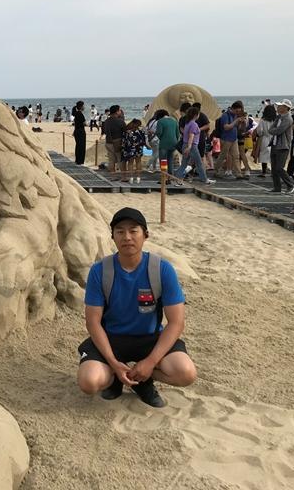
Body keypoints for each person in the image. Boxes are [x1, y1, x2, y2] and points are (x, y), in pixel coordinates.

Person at [77, 207, 196, 408]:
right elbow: (93, 322)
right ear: (113, 237)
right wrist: (113, 363)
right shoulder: (100, 270)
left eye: (133, 231)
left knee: (186, 373)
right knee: (89, 382)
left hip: (150, 338)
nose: (127, 237)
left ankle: (143, 380)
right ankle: (115, 377)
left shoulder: (161, 269)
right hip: (111, 339)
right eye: (120, 231)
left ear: (145, 235)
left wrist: (150, 363)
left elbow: (176, 322)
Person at [174, 106, 215, 185]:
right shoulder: (194, 124)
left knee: (184, 164)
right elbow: (191, 136)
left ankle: (177, 178)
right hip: (192, 146)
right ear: (196, 115)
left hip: (185, 144)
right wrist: (189, 146)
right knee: (199, 163)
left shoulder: (187, 123)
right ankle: (205, 179)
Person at [266, 100, 294, 194]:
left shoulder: (288, 119)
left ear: (286, 108)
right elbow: (271, 129)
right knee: (274, 168)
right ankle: (277, 187)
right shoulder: (279, 117)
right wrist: (273, 130)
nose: (278, 108)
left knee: (279, 167)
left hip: (283, 146)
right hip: (275, 144)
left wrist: (273, 130)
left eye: (280, 106)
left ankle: (290, 184)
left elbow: (278, 131)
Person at [215, 102, 244, 179]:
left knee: (236, 156)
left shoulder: (235, 115)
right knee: (223, 156)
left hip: (234, 139)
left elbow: (237, 127)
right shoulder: (225, 115)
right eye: (237, 111)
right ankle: (216, 171)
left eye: (239, 111)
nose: (237, 113)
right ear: (233, 108)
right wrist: (236, 121)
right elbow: (226, 127)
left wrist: (240, 123)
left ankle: (238, 174)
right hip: (226, 139)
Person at [101, 105, 125, 179]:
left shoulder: (106, 121)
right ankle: (123, 177)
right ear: (116, 112)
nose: (120, 111)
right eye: (119, 110)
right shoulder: (120, 121)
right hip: (117, 142)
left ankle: (113, 176)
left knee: (111, 160)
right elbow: (125, 130)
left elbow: (105, 131)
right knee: (120, 159)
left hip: (108, 142)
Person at [252, 104, 276, 177]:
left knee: (264, 155)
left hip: (265, 138)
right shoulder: (275, 120)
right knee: (273, 156)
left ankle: (264, 172)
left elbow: (260, 131)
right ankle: (273, 172)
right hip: (273, 139)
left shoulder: (263, 120)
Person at [121, 118, 146, 183]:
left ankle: (131, 178)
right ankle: (138, 178)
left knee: (130, 163)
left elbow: (124, 142)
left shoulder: (127, 132)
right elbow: (143, 140)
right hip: (139, 148)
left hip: (129, 149)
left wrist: (124, 150)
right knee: (138, 162)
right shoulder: (141, 131)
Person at [73, 101, 86, 165]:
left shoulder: (76, 113)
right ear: (81, 107)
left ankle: (77, 160)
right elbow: (84, 123)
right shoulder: (80, 114)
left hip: (76, 131)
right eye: (83, 106)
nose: (84, 107)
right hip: (80, 131)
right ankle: (80, 161)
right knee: (81, 146)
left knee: (78, 146)